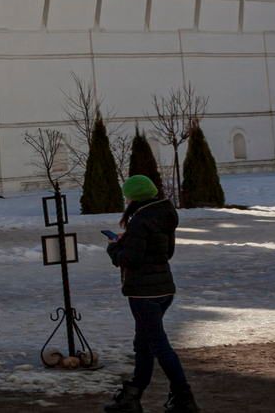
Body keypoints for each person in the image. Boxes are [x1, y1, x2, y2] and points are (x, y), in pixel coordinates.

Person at [103, 174, 196, 413]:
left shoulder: (140, 220)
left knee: (158, 346)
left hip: (143, 292)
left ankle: (184, 398)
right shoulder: (164, 216)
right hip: (164, 288)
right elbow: (166, 252)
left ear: (134, 197)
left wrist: (115, 248)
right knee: (143, 344)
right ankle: (132, 396)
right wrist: (128, 242)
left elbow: (130, 260)